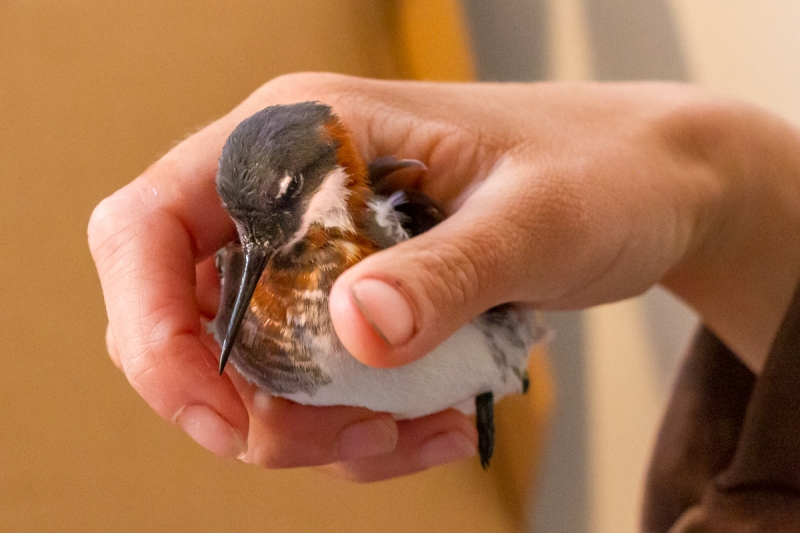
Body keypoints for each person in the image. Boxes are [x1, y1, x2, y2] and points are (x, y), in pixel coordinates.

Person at [88, 73, 800, 484]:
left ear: (327, 171)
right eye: (243, 227)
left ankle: (484, 393)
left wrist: (706, 170)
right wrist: (716, 186)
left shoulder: (396, 231)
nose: (252, 249)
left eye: (279, 203)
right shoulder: (241, 271)